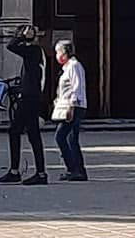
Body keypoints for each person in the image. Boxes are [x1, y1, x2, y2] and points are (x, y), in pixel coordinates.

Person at [0, 24, 47, 186]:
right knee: (23, 133)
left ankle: (32, 173)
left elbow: (11, 46)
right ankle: (24, 171)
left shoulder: (33, 51)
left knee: (24, 133)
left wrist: (21, 36)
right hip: (29, 96)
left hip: (30, 98)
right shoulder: (33, 52)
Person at [51, 39, 88, 182]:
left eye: (57, 52)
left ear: (64, 53)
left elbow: (76, 87)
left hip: (74, 107)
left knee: (61, 137)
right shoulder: (68, 67)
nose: (56, 56)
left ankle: (74, 168)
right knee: (71, 138)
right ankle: (77, 170)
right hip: (70, 105)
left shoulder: (74, 66)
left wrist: (71, 107)